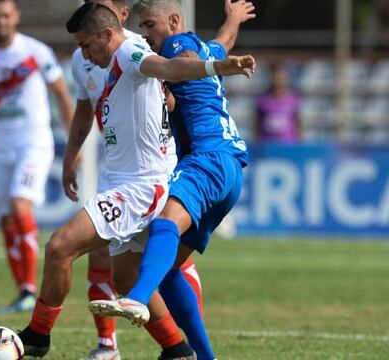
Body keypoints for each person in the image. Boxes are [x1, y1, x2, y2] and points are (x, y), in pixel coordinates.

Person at [16, 3, 255, 359]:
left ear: (107, 34)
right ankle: (179, 351)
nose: (83, 54)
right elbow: (213, 46)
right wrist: (232, 20)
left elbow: (169, 67)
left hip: (143, 186)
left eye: (86, 45)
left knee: (60, 247)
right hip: (126, 182)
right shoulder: (101, 63)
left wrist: (217, 67)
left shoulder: (130, 51)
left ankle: (38, 335)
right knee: (126, 276)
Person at [89, 1, 255, 359]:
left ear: (175, 22)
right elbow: (223, 41)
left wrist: (218, 65)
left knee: (165, 225)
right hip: (229, 170)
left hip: (207, 157)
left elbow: (182, 65)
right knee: (169, 266)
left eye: (150, 24)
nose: (145, 33)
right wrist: (233, 19)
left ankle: (135, 298)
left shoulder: (178, 46)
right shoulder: (204, 47)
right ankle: (202, 356)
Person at [69, 1, 203, 359]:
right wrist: (71, 156)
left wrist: (212, 68)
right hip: (114, 170)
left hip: (147, 175)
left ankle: (189, 343)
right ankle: (112, 345)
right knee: (116, 267)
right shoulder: (84, 56)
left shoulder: (133, 48)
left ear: (120, 14)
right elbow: (85, 111)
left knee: (171, 262)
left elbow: (171, 90)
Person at [0, 0, 74, 313]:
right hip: (1, 145)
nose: (0, 21)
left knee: (19, 204)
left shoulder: (35, 52)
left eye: (6, 15)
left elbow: (62, 95)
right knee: (6, 218)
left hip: (33, 142)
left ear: (16, 17)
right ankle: (24, 290)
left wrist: (72, 143)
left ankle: (31, 290)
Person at [255, 62, 301, 142]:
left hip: (287, 145)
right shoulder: (262, 99)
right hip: (267, 145)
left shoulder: (293, 99)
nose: (278, 79)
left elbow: (298, 123)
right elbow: (257, 124)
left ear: (286, 78)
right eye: (275, 76)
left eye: (280, 77)